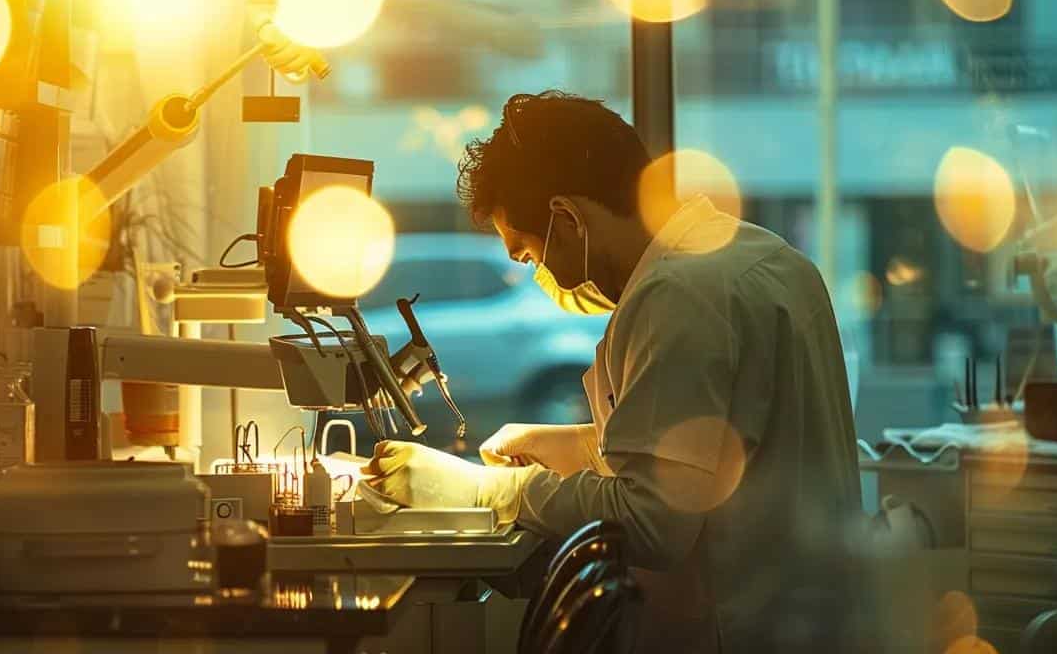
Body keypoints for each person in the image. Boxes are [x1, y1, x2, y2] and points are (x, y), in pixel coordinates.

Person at [361, 91, 864, 651]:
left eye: (527, 253)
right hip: (807, 618)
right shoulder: (759, 256)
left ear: (567, 218)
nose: (539, 274)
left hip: (740, 627)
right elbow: (710, 447)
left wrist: (495, 491)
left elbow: (653, 521)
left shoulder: (679, 293)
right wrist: (574, 446)